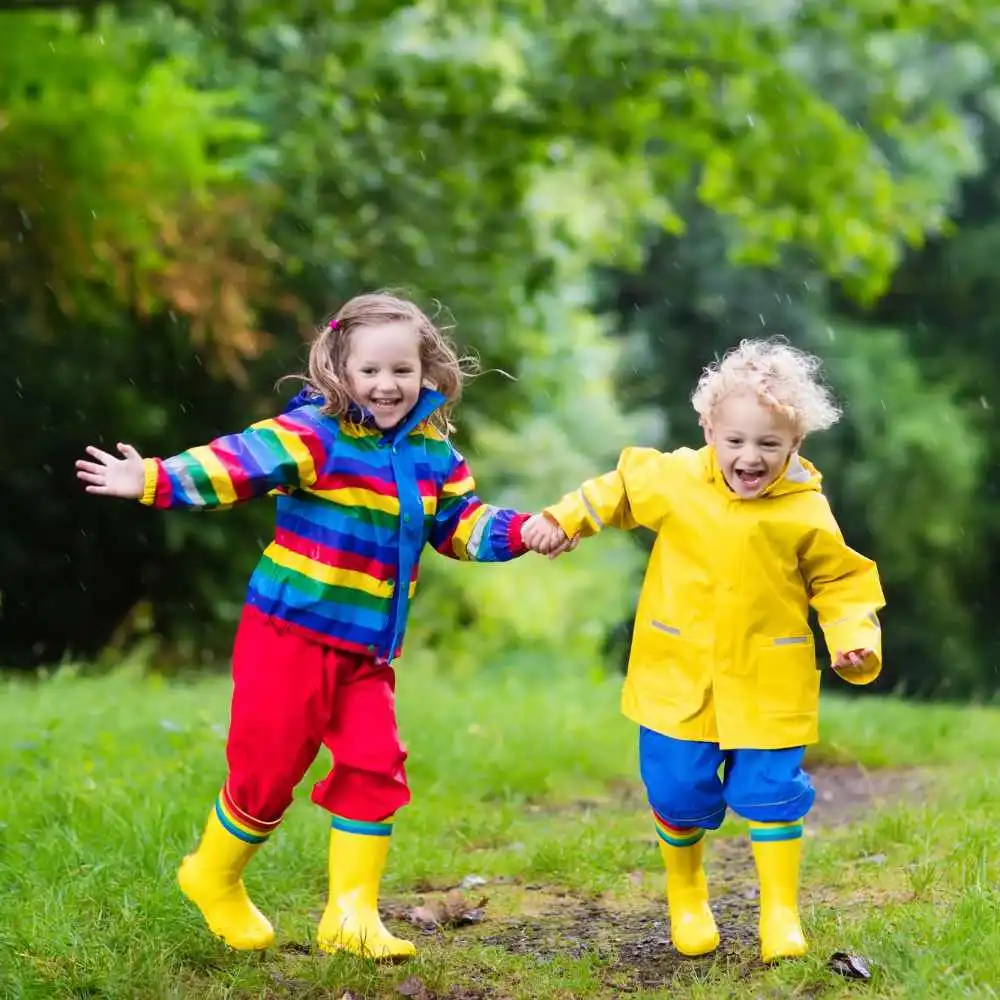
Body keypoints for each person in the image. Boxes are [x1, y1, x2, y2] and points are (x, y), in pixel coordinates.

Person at [76, 292, 570, 960]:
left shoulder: (433, 454)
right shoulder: (314, 434)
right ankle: (212, 874)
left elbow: (460, 525)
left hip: (368, 649)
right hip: (290, 636)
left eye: (402, 370)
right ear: (341, 368)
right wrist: (154, 478)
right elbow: (234, 463)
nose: (387, 384)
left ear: (426, 372)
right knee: (267, 773)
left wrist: (523, 532)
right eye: (371, 371)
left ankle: (351, 916)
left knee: (376, 765)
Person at [523, 338, 884, 963]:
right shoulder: (676, 480)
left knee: (771, 790)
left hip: (769, 676)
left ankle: (780, 913)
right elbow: (617, 492)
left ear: (795, 445)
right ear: (708, 429)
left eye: (769, 445)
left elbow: (841, 581)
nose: (750, 457)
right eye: (735, 440)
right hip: (677, 674)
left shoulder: (807, 510)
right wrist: (562, 520)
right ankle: (687, 895)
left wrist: (854, 639)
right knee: (677, 791)